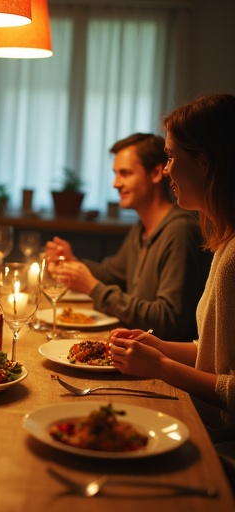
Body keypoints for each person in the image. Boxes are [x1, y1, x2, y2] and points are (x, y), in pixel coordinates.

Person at [110, 93, 235, 481]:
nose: (166, 171)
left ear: (205, 161)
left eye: (170, 157)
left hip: (223, 444)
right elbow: (215, 350)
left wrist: (162, 367)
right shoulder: (223, 241)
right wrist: (162, 348)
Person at [46, 133, 211, 341]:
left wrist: (93, 288)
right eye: (116, 173)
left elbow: (169, 321)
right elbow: (110, 273)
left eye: (125, 173)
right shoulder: (142, 227)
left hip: (161, 363)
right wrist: (72, 263)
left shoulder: (180, 231)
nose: (115, 183)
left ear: (156, 173)